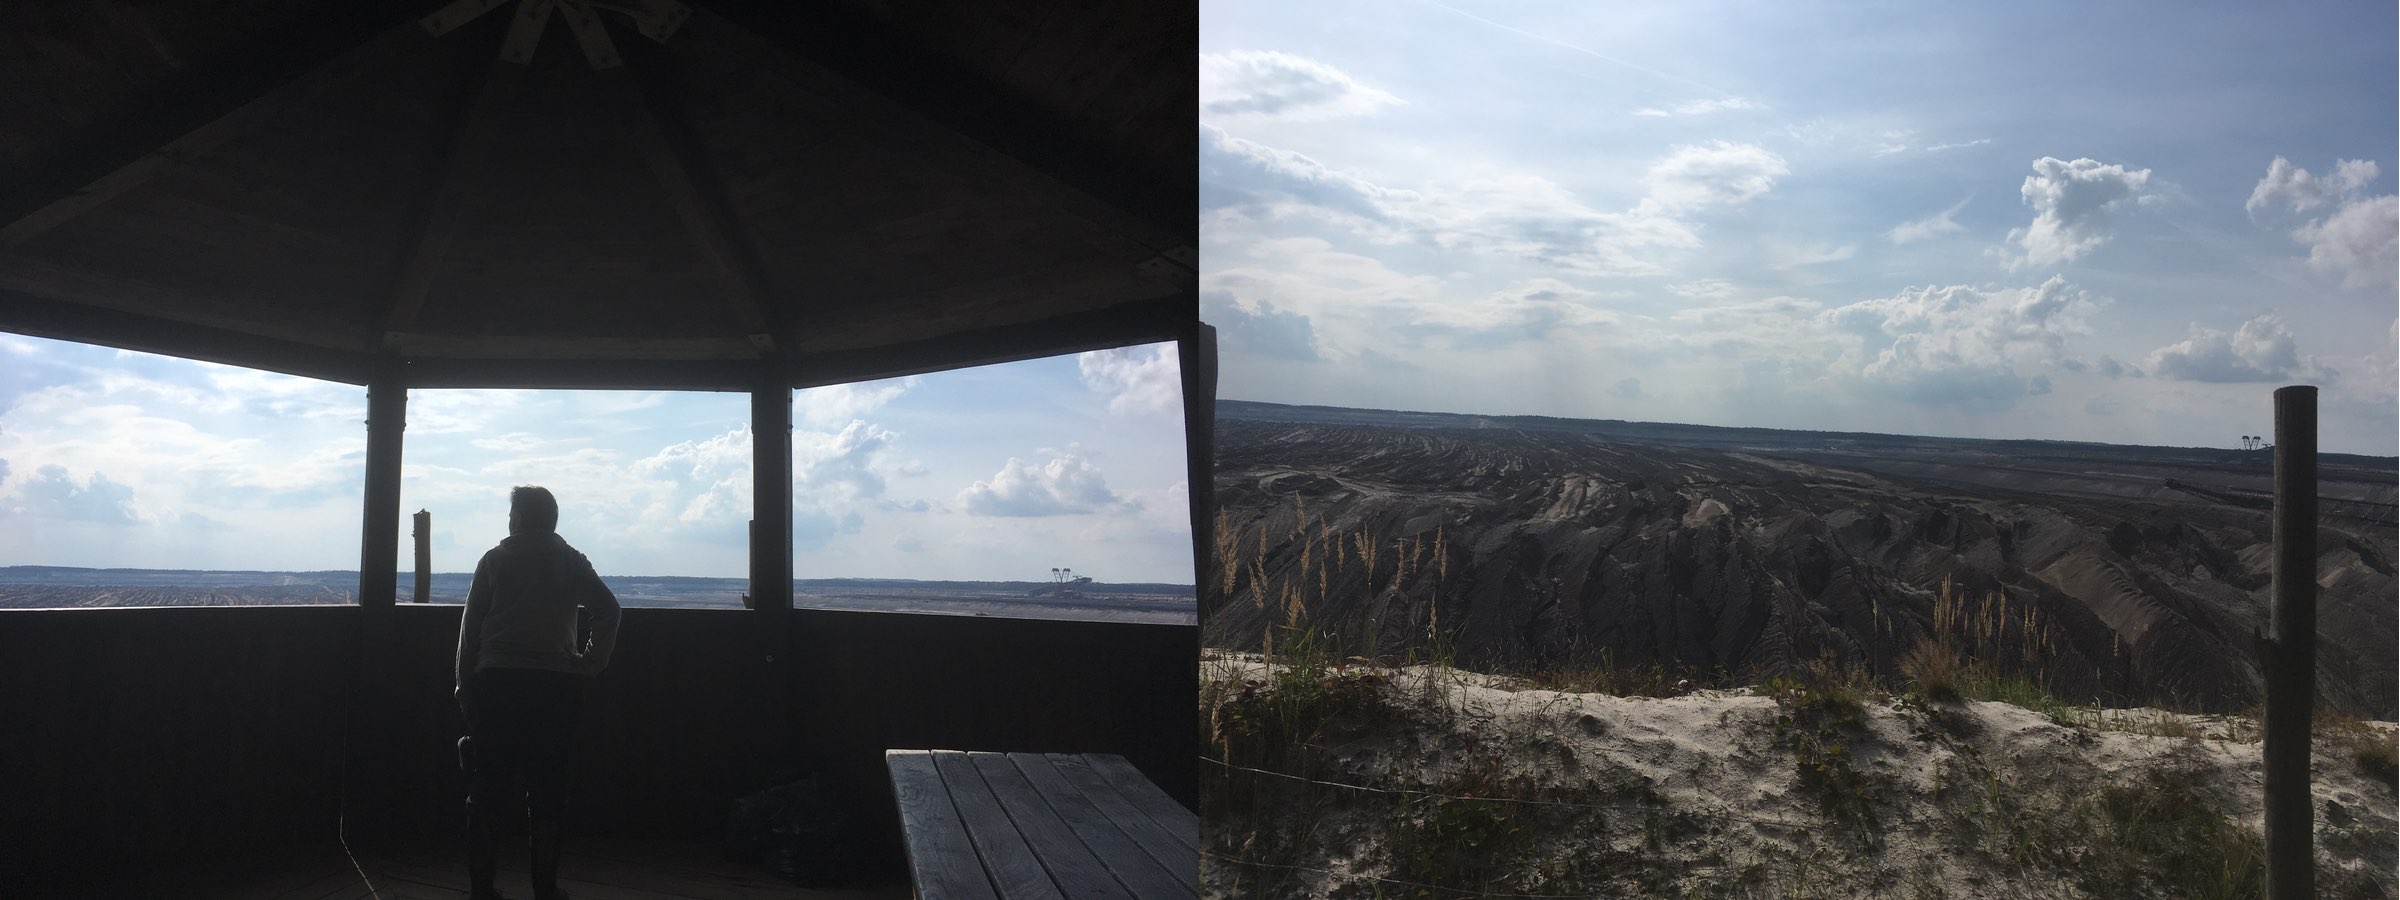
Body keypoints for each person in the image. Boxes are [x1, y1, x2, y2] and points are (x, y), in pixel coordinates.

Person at [455, 486, 621, 900]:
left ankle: (481, 889)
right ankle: (545, 889)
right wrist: (588, 663)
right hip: (554, 688)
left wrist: (465, 688)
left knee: (487, 792)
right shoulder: (570, 562)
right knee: (547, 793)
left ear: (516, 519)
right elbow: (609, 610)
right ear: (552, 520)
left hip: (497, 688)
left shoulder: (494, 561)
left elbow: (469, 633)